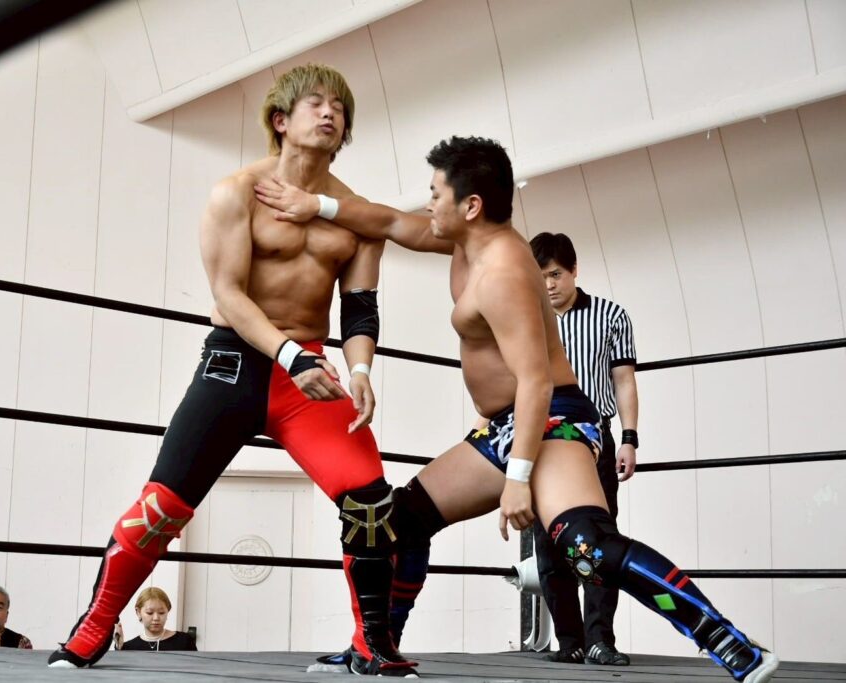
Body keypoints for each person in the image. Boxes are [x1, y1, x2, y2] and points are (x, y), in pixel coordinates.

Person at [252, 136, 779, 682]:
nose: (428, 203)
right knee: (399, 523)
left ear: (471, 205)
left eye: (435, 193)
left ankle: (727, 640)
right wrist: (316, 205)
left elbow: (535, 381)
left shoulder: (503, 269)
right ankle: (376, 649)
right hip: (506, 424)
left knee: (585, 547)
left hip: (554, 420)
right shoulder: (464, 243)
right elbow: (386, 221)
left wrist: (518, 478)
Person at [48, 63, 417, 677]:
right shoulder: (236, 193)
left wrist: (359, 371)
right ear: (281, 119)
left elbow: (359, 307)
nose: (330, 112)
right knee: (161, 507)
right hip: (237, 362)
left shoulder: (353, 214)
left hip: (309, 375)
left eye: (339, 106)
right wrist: (292, 356)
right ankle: (92, 628)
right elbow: (230, 295)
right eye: (316, 103)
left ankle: (370, 644)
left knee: (372, 506)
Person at [527, 231, 638, 666]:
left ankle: (599, 639)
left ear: (574, 270)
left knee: (600, 538)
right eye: (541, 277)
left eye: (556, 274)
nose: (549, 284)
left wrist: (629, 438)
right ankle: (568, 640)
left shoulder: (611, 315)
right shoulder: (526, 319)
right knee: (548, 542)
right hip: (543, 439)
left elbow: (624, 380)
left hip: (596, 439)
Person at [112, 587, 195, 651]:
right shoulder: (128, 648)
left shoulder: (184, 641)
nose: (156, 618)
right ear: (138, 612)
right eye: (149, 613)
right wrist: (119, 648)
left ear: (168, 611)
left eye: (161, 612)